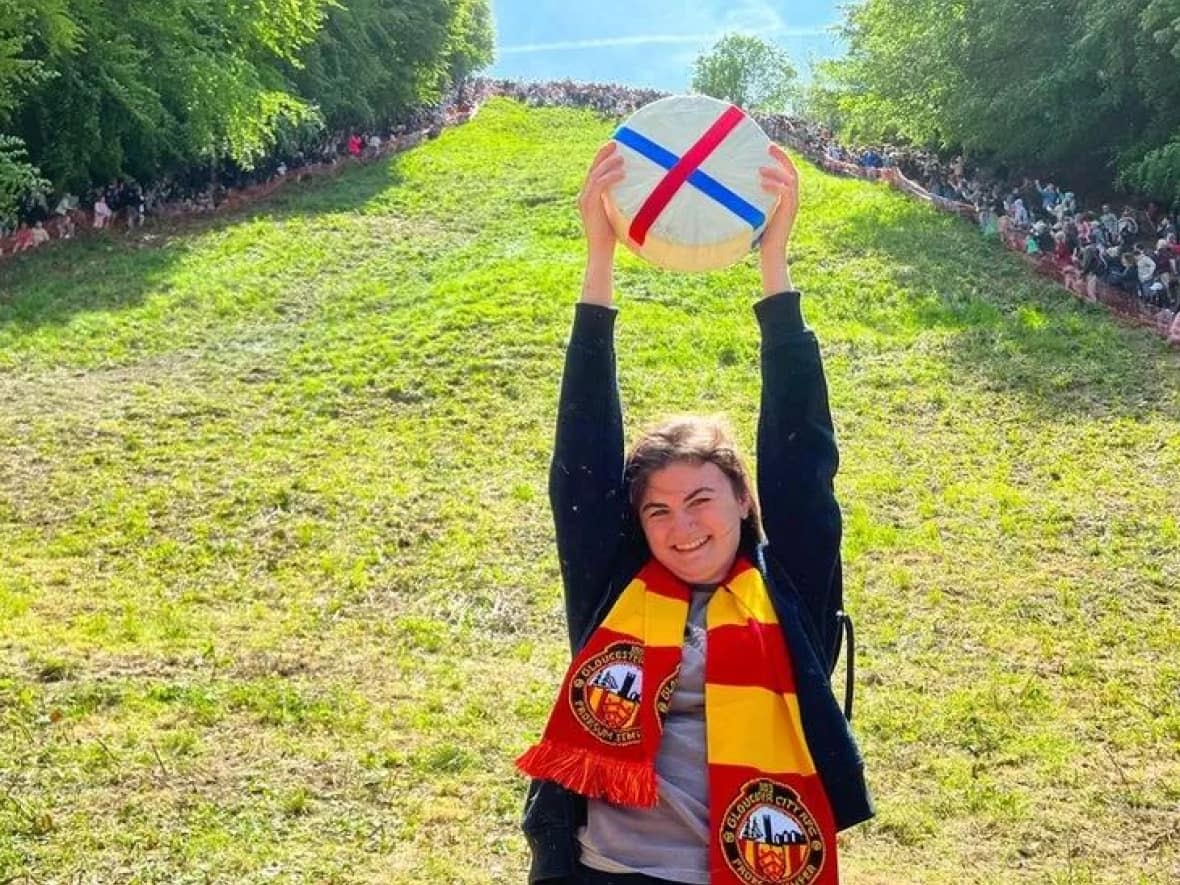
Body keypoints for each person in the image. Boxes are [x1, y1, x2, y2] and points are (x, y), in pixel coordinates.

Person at [518, 142, 872, 885]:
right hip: (605, 869)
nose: (682, 527)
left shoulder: (788, 592)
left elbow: (803, 464)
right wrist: (599, 259)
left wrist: (774, 264)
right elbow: (579, 464)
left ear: (744, 501)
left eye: (701, 500)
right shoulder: (617, 588)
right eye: (658, 510)